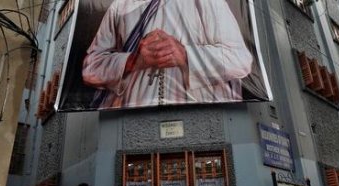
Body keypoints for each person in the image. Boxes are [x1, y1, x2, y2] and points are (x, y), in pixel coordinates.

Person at [82, 0, 253, 109]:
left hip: (200, 112)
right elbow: (91, 68)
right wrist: (134, 61)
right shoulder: (120, 6)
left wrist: (185, 55)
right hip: (135, 116)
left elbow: (240, 59)